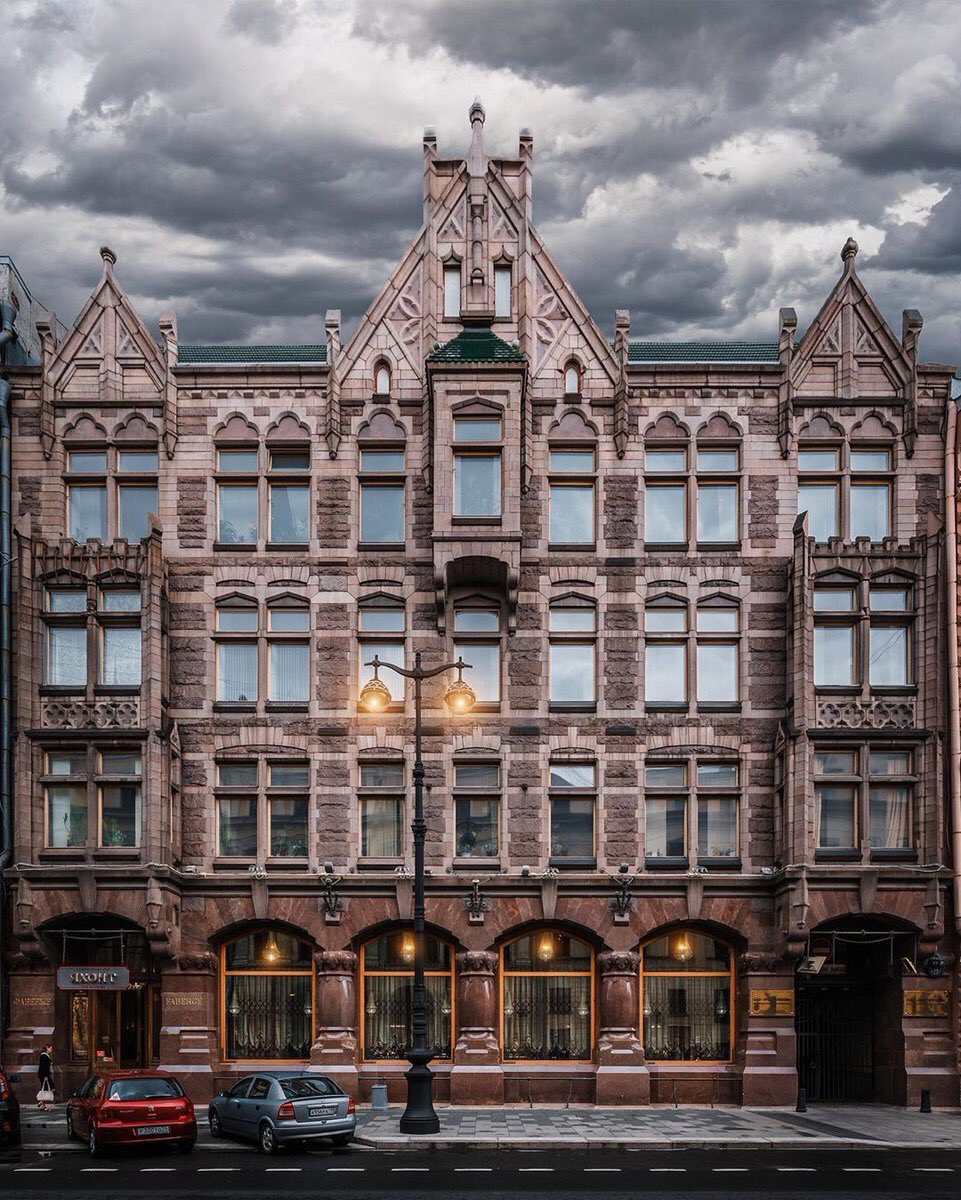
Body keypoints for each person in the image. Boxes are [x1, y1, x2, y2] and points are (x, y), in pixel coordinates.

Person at [37, 1043, 54, 1110]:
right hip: (44, 1075)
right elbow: (44, 1067)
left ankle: (43, 1105)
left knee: (45, 1089)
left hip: (44, 1074)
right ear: (47, 1048)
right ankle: (41, 1102)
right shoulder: (44, 1056)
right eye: (50, 1048)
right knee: (51, 1087)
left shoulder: (45, 1056)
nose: (51, 1050)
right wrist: (45, 1076)